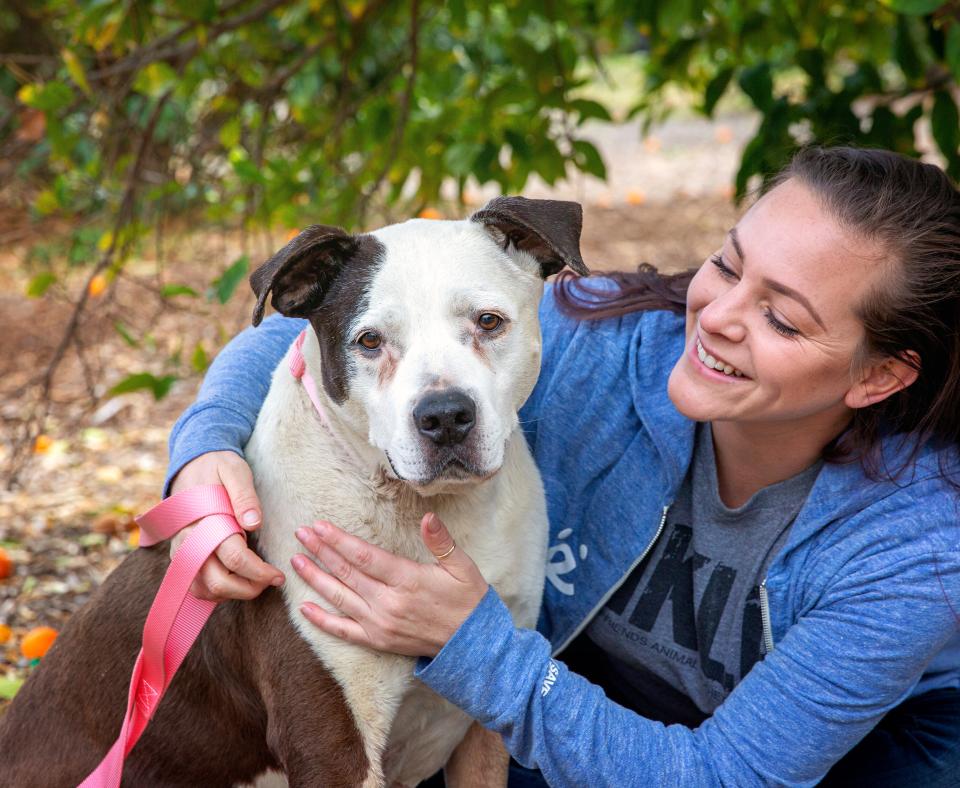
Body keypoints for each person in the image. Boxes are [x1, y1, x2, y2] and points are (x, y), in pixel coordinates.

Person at [164, 146, 960, 786]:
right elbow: (307, 335)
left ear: (879, 376)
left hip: (835, 758)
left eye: (780, 317)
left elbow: (729, 773)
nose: (715, 318)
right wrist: (205, 449)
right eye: (725, 265)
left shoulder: (914, 554)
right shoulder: (605, 346)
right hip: (583, 706)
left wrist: (476, 649)